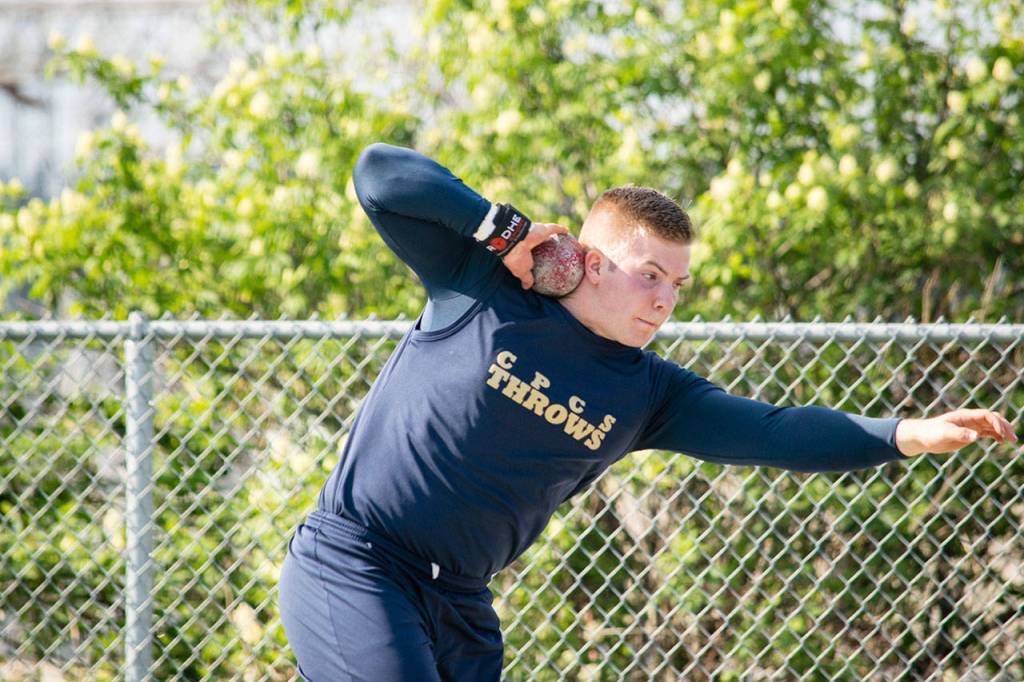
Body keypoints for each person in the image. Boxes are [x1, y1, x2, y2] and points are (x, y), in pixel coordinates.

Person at [277, 142, 1016, 681]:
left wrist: (907, 434)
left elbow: (775, 430)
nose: (665, 299)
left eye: (679, 284)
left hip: (461, 601)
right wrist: (499, 230)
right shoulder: (484, 290)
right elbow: (380, 175)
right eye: (650, 274)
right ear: (591, 262)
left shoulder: (649, 395)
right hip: (359, 562)